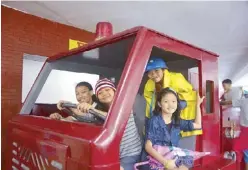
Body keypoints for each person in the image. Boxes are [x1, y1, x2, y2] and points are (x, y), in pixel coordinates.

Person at [77, 78, 142, 170]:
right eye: (100, 93)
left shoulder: (124, 104)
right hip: (114, 153)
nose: (104, 94)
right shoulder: (101, 110)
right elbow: (87, 117)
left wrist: (92, 109)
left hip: (131, 153)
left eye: (107, 90)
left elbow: (114, 117)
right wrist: (66, 107)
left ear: (114, 91)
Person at [145, 87, 204, 170]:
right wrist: (165, 162)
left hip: (173, 157)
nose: (170, 105)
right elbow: (148, 147)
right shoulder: (154, 121)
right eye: (166, 101)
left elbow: (198, 125)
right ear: (159, 104)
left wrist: (197, 105)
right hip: (157, 160)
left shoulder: (177, 121)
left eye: (173, 101)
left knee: (184, 168)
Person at [144, 57, 201, 138]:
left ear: (163, 70)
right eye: (150, 73)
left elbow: (190, 93)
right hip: (162, 117)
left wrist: (181, 103)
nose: (153, 75)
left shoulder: (176, 79)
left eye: (156, 70)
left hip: (180, 116)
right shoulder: (149, 85)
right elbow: (149, 103)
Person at [223, 96, 248, 170]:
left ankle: (233, 156)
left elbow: (230, 102)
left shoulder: (243, 100)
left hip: (245, 131)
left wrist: (219, 102)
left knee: (239, 150)